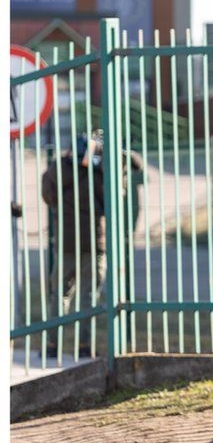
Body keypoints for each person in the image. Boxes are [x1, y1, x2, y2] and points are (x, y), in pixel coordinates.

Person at [41, 130, 143, 357]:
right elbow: (115, 198)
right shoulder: (100, 174)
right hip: (94, 245)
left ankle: (51, 345)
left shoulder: (59, 170)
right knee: (88, 296)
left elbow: (47, 194)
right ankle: (84, 345)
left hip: (66, 243)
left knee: (59, 294)